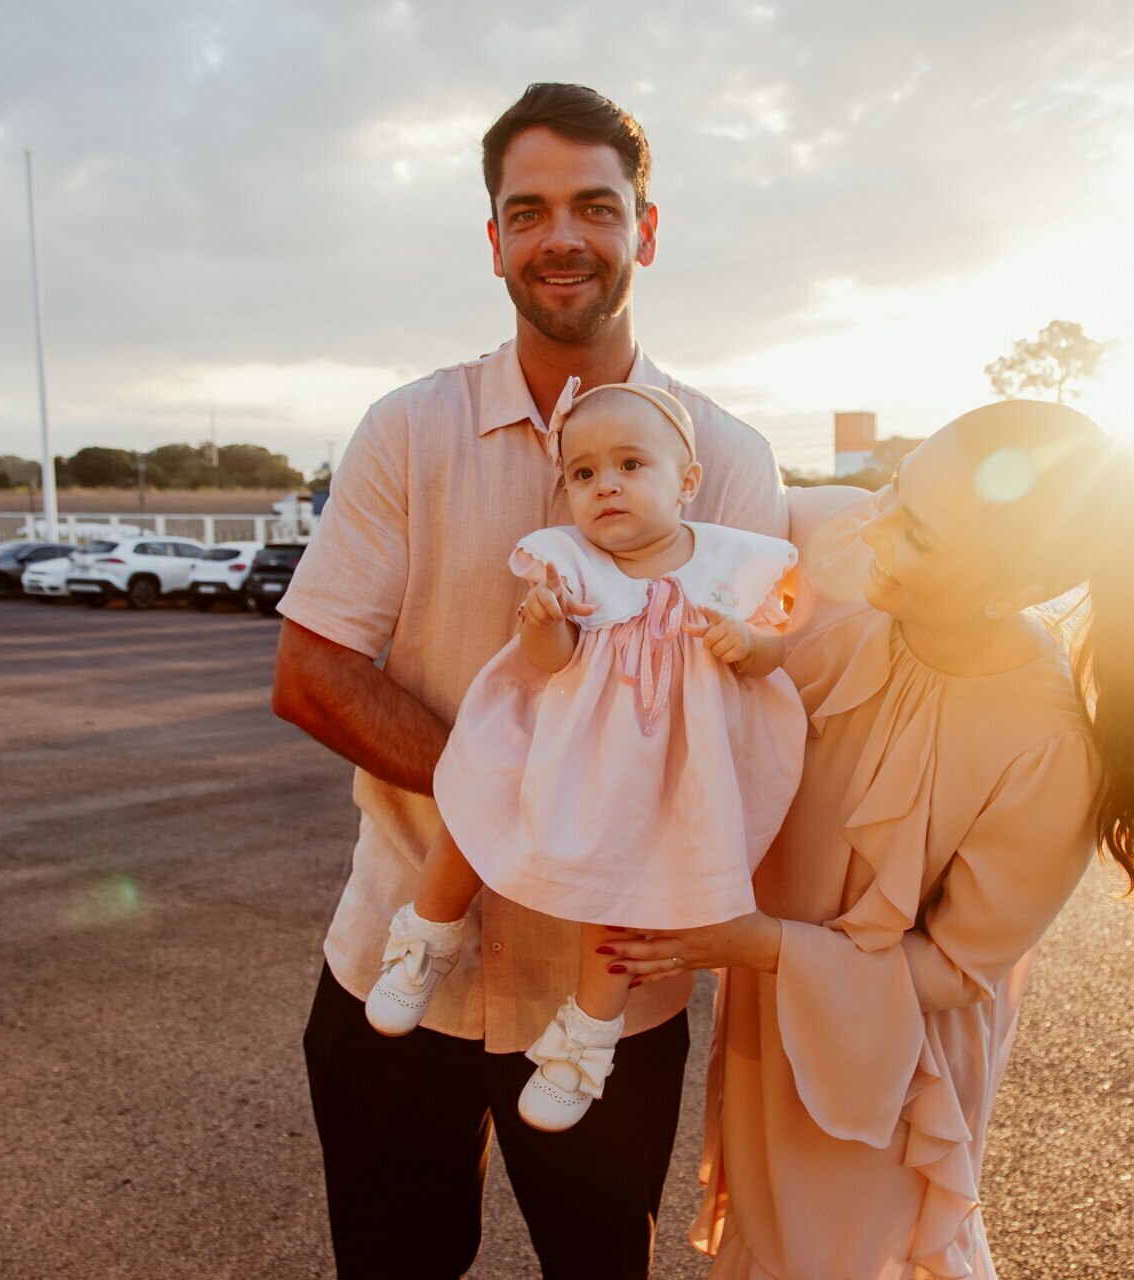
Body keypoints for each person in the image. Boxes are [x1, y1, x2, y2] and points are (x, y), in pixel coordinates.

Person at [270, 82, 785, 1279]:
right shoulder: (409, 430)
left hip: (608, 1000)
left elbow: (755, 709)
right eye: (530, 209)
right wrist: (510, 801)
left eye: (596, 206)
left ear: (644, 230)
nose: (563, 236)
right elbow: (311, 669)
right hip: (400, 953)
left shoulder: (733, 462)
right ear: (495, 238)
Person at [605, 400, 1134, 1279]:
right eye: (893, 490)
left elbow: (958, 970)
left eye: (918, 533)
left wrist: (760, 945)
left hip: (891, 1067)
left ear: (1008, 589)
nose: (875, 528)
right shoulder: (857, 584)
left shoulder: (1048, 752)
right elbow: (697, 466)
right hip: (776, 1020)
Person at [363, 377, 804, 1136]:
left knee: (629, 891)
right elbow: (549, 662)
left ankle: (586, 1035)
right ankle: (425, 935)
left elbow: (773, 648)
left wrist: (749, 644)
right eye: (584, 472)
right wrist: (543, 623)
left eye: (632, 465)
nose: (606, 487)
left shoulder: (733, 559)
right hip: (558, 745)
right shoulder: (567, 558)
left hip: (663, 772)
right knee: (477, 815)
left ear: (686, 481)